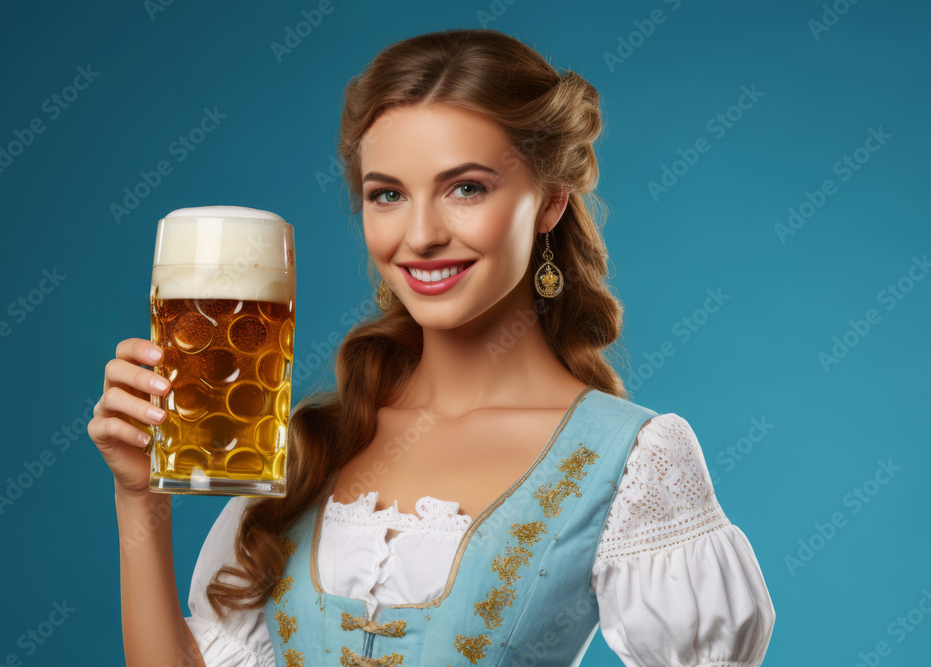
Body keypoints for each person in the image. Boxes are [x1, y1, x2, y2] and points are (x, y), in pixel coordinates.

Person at [90, 28, 776, 667]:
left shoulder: (633, 461)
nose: (419, 235)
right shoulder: (311, 447)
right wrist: (137, 496)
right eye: (387, 194)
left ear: (550, 201)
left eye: (466, 188)